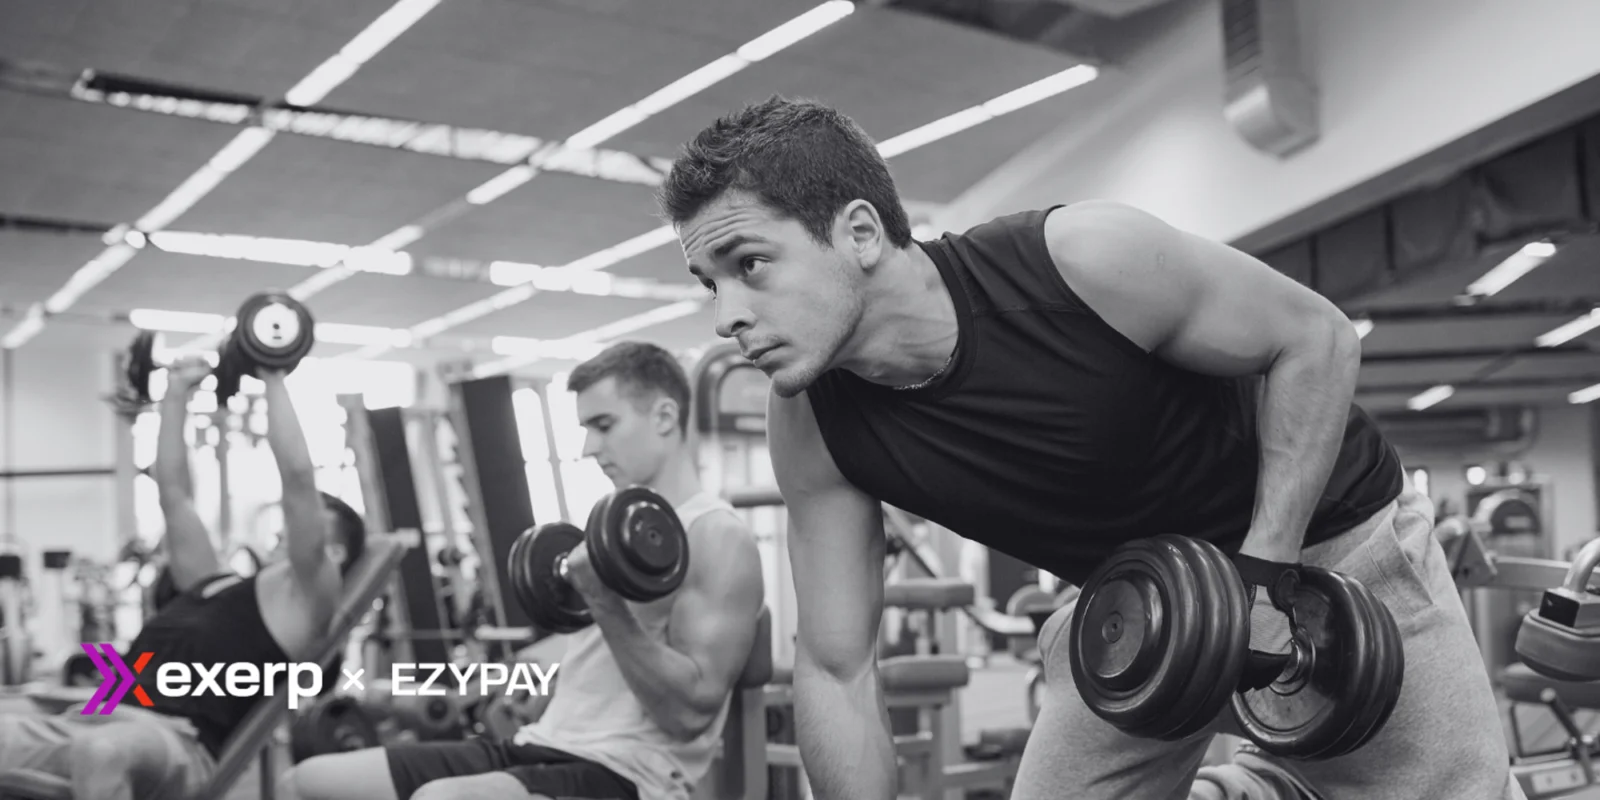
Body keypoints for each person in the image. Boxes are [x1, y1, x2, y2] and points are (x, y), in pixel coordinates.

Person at [659, 96, 1520, 800]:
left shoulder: (1078, 262)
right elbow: (835, 664)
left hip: (1334, 544)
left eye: (749, 264)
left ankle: (1265, 780)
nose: (727, 313)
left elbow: (1317, 340)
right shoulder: (810, 418)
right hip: (1145, 600)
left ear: (858, 232)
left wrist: (1265, 578)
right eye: (710, 283)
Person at [287, 341, 765, 800]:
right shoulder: (615, 530)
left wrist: (601, 599)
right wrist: (506, 675)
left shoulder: (715, 534)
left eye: (604, 425)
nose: (588, 447)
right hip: (539, 742)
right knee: (307, 781)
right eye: (585, 428)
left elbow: (689, 713)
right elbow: (595, 644)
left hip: (625, 772)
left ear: (664, 416)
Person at [0, 356, 365, 800]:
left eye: (305, 523)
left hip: (174, 741)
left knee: (101, 752)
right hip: (93, 717)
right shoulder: (214, 582)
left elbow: (298, 480)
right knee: (78, 741)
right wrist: (175, 394)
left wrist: (272, 376)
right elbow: (172, 492)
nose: (285, 526)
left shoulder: (307, 605)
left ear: (334, 552)